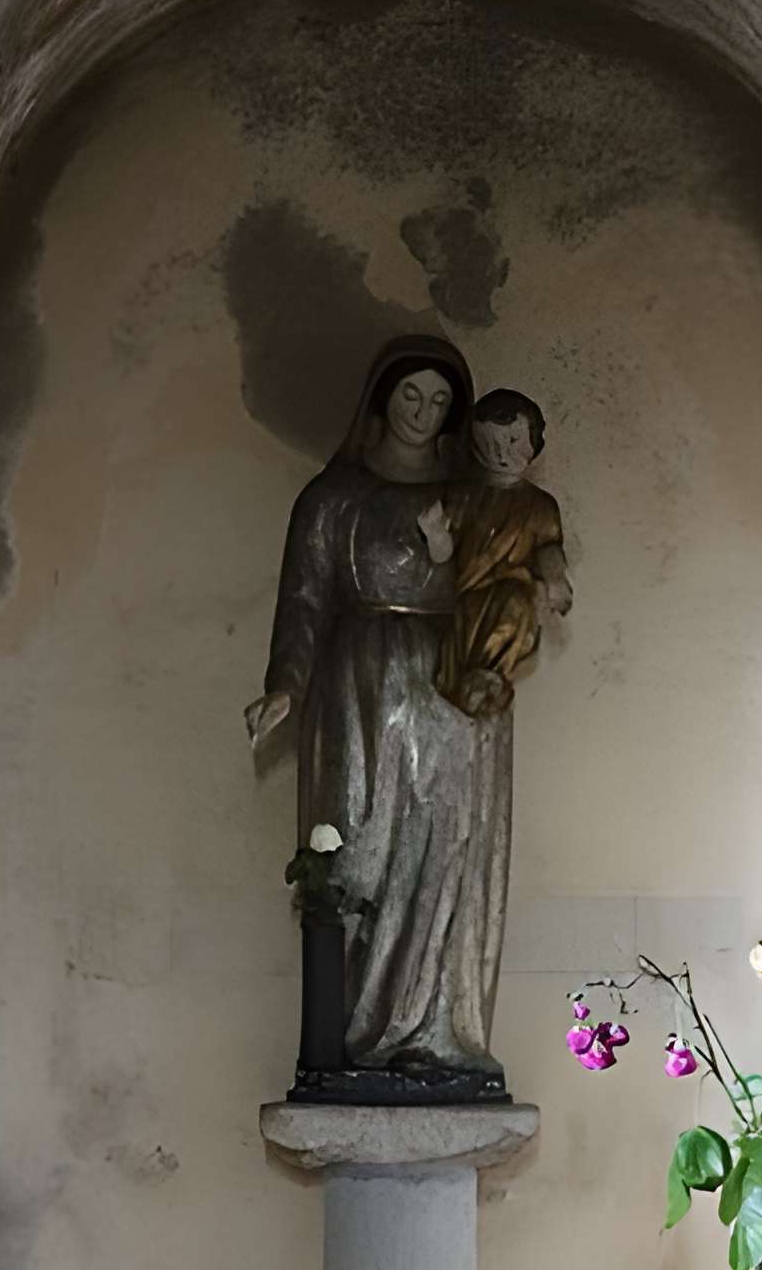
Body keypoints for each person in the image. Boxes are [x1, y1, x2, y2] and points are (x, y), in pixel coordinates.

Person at [245, 335, 512, 1086]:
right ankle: (358, 1035)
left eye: (438, 401)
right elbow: (303, 601)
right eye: (409, 396)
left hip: (454, 690)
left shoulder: (472, 504)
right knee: (357, 848)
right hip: (361, 689)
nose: (422, 413)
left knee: (445, 846)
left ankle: (433, 1028)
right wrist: (285, 686)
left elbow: (509, 574)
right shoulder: (332, 499)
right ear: (380, 399)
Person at [419, 387, 573, 719]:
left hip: (515, 592)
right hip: (466, 595)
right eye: (490, 445)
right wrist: (434, 533)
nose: (501, 454)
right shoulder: (463, 496)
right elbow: (442, 555)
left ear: (534, 441)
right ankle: (469, 685)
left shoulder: (540, 505)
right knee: (461, 639)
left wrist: (557, 580)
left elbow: (548, 549)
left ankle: (492, 675)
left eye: (513, 443)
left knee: (516, 606)